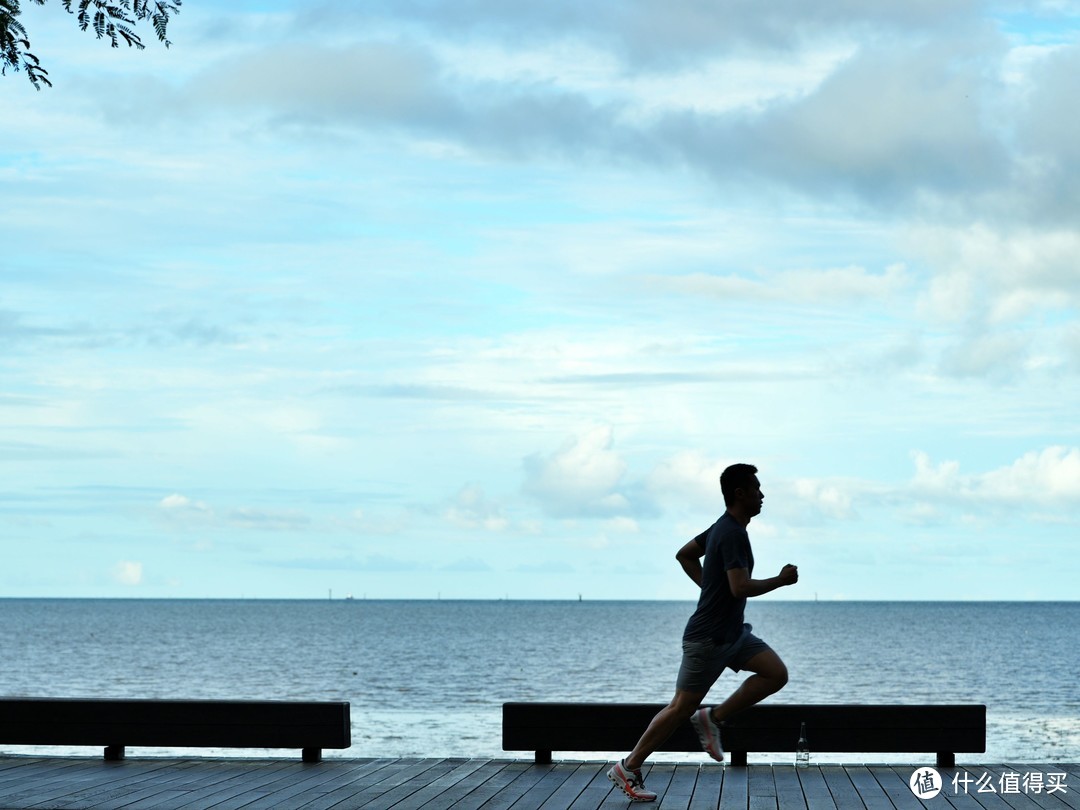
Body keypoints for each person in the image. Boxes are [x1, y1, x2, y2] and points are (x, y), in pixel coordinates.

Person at [606, 463, 799, 802]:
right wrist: (780, 581)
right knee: (680, 706)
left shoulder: (721, 529)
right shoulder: (731, 533)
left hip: (733, 634)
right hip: (708, 639)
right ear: (740, 494)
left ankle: (713, 717)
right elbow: (738, 587)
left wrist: (710, 589)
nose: (762, 495)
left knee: (775, 673)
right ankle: (628, 766)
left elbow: (685, 555)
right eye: (757, 489)